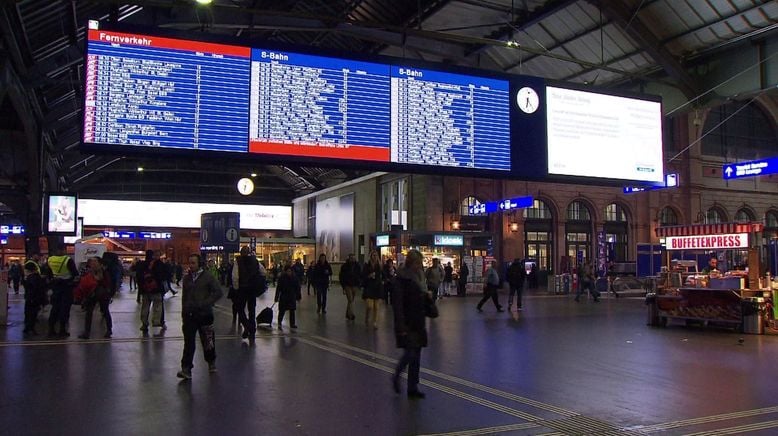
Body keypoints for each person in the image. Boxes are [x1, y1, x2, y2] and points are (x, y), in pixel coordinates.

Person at [391, 249, 431, 399]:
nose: (421, 266)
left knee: (416, 355)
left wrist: (426, 297)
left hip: (418, 320)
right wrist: (401, 326)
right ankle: (396, 375)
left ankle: (412, 386)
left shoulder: (419, 277)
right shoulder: (401, 279)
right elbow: (398, 304)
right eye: (419, 263)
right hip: (407, 321)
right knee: (410, 353)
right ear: (412, 263)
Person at [177, 253, 222, 379]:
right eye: (189, 263)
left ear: (199, 263)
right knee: (189, 342)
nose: (191, 265)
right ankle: (186, 368)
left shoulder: (208, 277)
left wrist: (206, 303)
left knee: (208, 341)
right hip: (190, 315)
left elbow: (218, 292)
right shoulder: (187, 278)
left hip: (205, 315)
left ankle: (211, 362)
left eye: (193, 263)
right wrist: (184, 311)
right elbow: (184, 297)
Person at [232, 246, 266, 346]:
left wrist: (236, 288)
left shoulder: (237, 261)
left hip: (242, 288)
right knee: (252, 310)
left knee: (240, 309)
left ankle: (246, 325)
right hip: (252, 289)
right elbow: (263, 272)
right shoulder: (255, 261)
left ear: (241, 252)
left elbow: (235, 276)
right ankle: (252, 330)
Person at [74, 257, 113, 339]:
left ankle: (109, 330)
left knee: (105, 311)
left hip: (102, 294)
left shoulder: (104, 272)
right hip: (92, 294)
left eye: (95, 261)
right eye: (92, 262)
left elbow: (108, 283)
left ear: (100, 263)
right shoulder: (89, 272)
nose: (93, 263)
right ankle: (86, 332)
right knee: (89, 312)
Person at [46, 250, 79, 338]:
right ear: (64, 250)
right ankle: (62, 329)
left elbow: (48, 273)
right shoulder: (68, 260)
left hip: (56, 286)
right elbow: (75, 273)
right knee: (65, 309)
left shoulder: (50, 259)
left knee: (55, 308)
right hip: (66, 286)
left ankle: (51, 329)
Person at [137, 250, 167, 335]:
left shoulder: (142, 264)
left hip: (145, 290)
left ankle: (144, 323)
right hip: (156, 290)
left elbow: (138, 277)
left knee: (145, 307)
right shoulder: (160, 264)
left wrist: (141, 288)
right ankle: (157, 321)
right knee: (158, 306)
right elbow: (164, 275)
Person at [22, 262, 47, 335]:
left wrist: (24, 282)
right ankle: (29, 328)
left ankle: (29, 328)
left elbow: (32, 288)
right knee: (31, 313)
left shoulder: (32, 278)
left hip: (32, 298)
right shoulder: (36, 277)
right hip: (34, 298)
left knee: (30, 313)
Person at [362, 251, 384, 329]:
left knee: (376, 307)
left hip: (378, 287)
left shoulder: (380, 265)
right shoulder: (367, 265)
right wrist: (369, 276)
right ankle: (367, 318)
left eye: (375, 255)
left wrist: (383, 280)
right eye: (373, 255)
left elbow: (383, 275)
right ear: (370, 256)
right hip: (369, 287)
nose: (374, 257)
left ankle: (375, 322)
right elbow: (363, 276)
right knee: (369, 306)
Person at [275, 264, 300, 330]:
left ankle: (292, 324)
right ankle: (279, 322)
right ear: (285, 271)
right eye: (288, 271)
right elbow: (278, 288)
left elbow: (297, 287)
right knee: (282, 310)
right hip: (284, 296)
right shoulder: (282, 278)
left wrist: (298, 296)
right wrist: (276, 297)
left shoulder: (294, 278)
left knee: (292, 310)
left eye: (290, 271)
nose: (289, 272)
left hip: (292, 296)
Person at [339, 253, 361, 321]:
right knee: (350, 299)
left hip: (355, 285)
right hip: (347, 285)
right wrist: (343, 286)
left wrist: (359, 283)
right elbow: (341, 276)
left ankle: (347, 314)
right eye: (351, 258)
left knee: (350, 301)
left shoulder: (357, 266)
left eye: (353, 258)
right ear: (349, 258)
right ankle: (351, 314)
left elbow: (360, 274)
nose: (352, 259)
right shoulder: (344, 266)